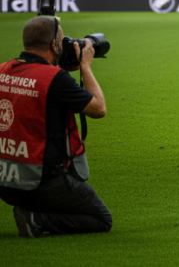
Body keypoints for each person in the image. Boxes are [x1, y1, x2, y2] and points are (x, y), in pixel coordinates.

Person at [0, 16, 110, 237]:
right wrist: (85, 66)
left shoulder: (3, 70)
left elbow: (38, 86)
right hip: (39, 183)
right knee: (102, 219)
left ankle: (33, 209)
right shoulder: (55, 79)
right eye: (62, 40)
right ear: (53, 45)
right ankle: (36, 219)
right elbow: (98, 109)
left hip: (5, 183)